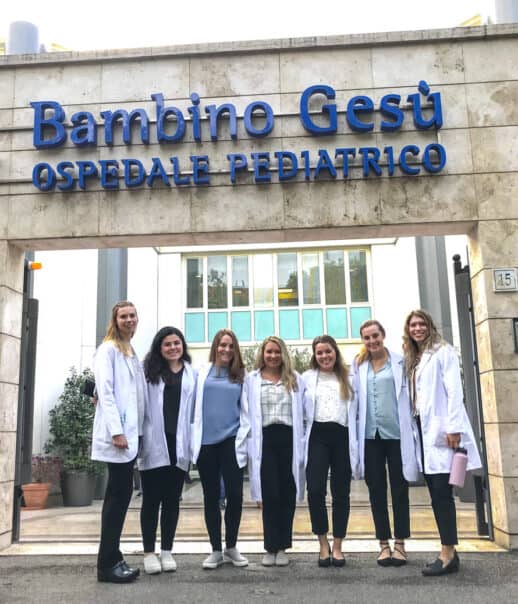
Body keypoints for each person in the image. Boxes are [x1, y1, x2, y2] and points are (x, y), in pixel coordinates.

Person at [403, 309, 482, 576]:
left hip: (442, 433)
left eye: (421, 324)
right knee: (436, 495)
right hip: (424, 435)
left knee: (442, 495)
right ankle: (450, 551)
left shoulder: (442, 352)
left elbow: (454, 392)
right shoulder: (414, 358)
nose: (417, 328)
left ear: (429, 326)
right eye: (413, 325)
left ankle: (447, 552)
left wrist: (454, 428)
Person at [349, 320, 420, 567]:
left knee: (399, 489)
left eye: (375, 336)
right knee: (376, 490)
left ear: (383, 335)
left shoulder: (401, 361)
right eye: (367, 338)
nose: (372, 341)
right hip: (371, 437)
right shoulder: (358, 366)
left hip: (397, 435)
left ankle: (400, 543)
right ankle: (383, 544)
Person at [92, 301, 146, 583]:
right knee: (116, 498)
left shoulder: (129, 351)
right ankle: (106, 565)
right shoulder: (108, 349)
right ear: (115, 320)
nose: (129, 320)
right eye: (123, 316)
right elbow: (107, 392)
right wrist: (116, 431)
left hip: (130, 434)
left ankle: (113, 557)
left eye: (132, 315)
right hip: (119, 437)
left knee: (121, 496)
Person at [138, 327, 196, 575]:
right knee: (151, 500)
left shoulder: (193, 374)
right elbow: (127, 391)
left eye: (177, 343)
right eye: (167, 344)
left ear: (182, 345)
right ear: (159, 348)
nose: (173, 347)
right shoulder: (147, 372)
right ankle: (149, 552)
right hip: (154, 443)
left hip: (178, 444)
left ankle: (167, 551)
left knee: (172, 500)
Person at [191, 328, 250, 569]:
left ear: (235, 350)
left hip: (231, 441)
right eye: (222, 345)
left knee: (235, 495)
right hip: (206, 444)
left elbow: (247, 409)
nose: (226, 349)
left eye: (230, 346)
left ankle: (231, 547)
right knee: (211, 497)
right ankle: (215, 549)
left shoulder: (242, 376)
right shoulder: (200, 374)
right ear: (215, 347)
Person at [247, 336, 307, 567]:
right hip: (265, 439)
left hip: (289, 438)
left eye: (276, 352)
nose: (272, 356)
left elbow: (305, 412)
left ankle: (283, 546)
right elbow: (246, 411)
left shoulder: (294, 379)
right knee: (269, 494)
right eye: (268, 352)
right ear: (262, 354)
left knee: (287, 493)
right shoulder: (252, 380)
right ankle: (270, 547)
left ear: (283, 354)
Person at [303, 335, 353, 568]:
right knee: (315, 490)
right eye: (320, 352)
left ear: (336, 352)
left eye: (328, 351)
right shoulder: (306, 378)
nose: (324, 356)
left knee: (341, 492)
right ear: (315, 356)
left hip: (342, 436)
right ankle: (323, 543)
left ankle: (338, 545)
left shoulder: (349, 377)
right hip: (317, 437)